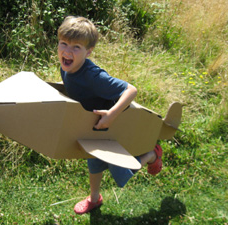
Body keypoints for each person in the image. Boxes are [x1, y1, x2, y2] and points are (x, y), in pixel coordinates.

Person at [57, 16, 163, 215]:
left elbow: (131, 90)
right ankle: (94, 199)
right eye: (64, 43)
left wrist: (112, 115)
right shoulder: (66, 67)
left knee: (123, 174)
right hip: (94, 126)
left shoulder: (93, 76)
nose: (67, 51)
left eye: (76, 47)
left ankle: (151, 154)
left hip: (113, 128)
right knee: (93, 162)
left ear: (88, 52)